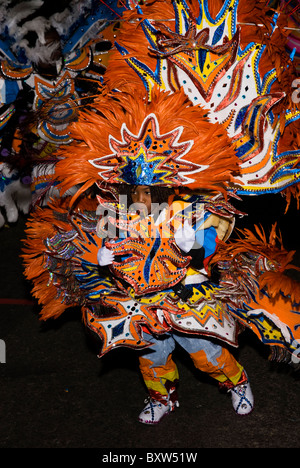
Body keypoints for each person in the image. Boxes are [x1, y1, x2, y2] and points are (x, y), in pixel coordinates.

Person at [97, 184, 254, 424]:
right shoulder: (120, 216)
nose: (140, 199)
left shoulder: (188, 210)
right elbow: (125, 260)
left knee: (205, 354)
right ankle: (161, 397)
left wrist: (191, 247)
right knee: (151, 356)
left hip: (186, 299)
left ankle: (237, 382)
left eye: (148, 193)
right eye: (135, 193)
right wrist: (109, 259)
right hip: (144, 303)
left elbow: (211, 254)